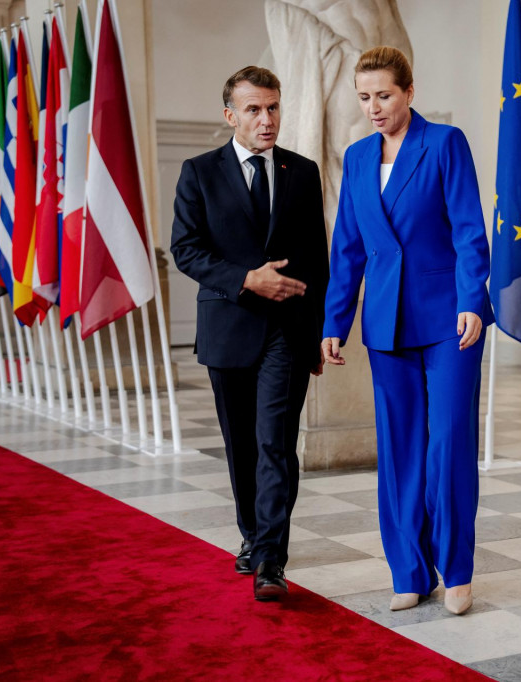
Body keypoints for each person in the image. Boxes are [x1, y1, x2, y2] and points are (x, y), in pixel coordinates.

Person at [321, 46, 493, 616]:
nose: (373, 107)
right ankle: (410, 572)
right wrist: (333, 323)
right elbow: (346, 249)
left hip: (451, 322)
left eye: (385, 95)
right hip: (385, 324)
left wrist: (473, 299)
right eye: (365, 96)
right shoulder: (358, 157)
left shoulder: (445, 143)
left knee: (447, 447)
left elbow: (470, 228)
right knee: (399, 453)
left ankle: (458, 571)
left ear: (409, 92)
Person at [170, 66, 328, 602]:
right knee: (241, 445)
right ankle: (252, 533)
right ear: (230, 114)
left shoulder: (303, 172)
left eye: (274, 107)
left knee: (275, 443)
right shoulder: (198, 172)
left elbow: (318, 261)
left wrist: (318, 334)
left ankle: (269, 559)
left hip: (287, 330)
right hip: (228, 328)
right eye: (256, 109)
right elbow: (185, 249)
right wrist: (245, 280)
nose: (267, 119)